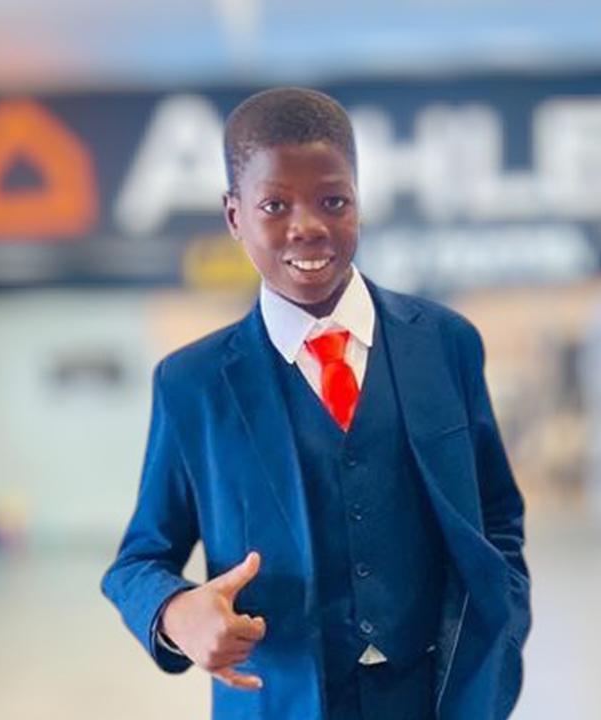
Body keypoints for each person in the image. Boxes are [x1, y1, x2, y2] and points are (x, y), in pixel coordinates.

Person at [101, 87, 531, 720]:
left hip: (437, 697)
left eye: (333, 201)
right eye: (275, 205)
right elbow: (138, 560)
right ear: (234, 216)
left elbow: (497, 518)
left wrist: (501, 637)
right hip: (278, 700)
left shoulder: (446, 345)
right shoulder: (192, 385)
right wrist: (174, 612)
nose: (307, 225)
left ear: (358, 201)